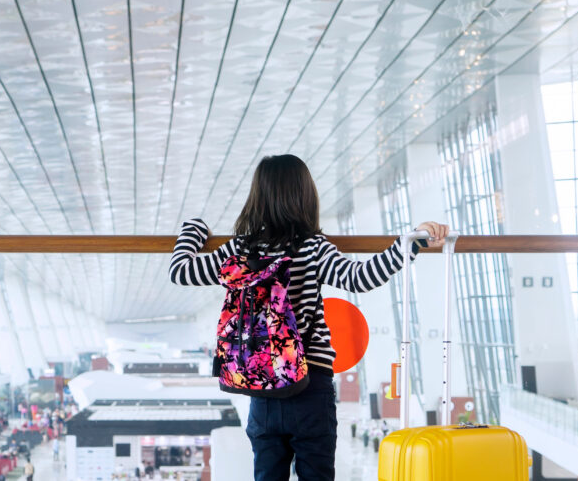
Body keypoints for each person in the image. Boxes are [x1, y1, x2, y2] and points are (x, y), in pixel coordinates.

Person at [169, 154, 449, 481]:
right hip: (310, 385)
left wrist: (194, 229)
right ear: (305, 196)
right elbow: (361, 278)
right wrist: (410, 244)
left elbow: (181, 271)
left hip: (261, 388)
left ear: (257, 197)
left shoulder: (240, 250)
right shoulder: (312, 247)